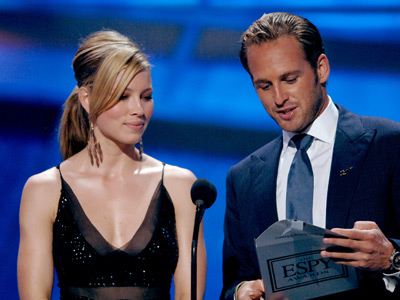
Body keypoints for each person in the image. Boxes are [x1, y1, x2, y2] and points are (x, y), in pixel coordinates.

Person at [221, 12, 400, 300]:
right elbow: (234, 281)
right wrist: (241, 292)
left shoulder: (388, 146)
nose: (278, 98)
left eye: (289, 79)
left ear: (321, 68)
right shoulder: (243, 178)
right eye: (264, 86)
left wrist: (392, 258)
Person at [17, 30, 206, 300]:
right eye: (122, 96)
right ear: (87, 99)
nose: (138, 110)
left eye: (146, 96)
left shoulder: (181, 186)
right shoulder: (44, 190)